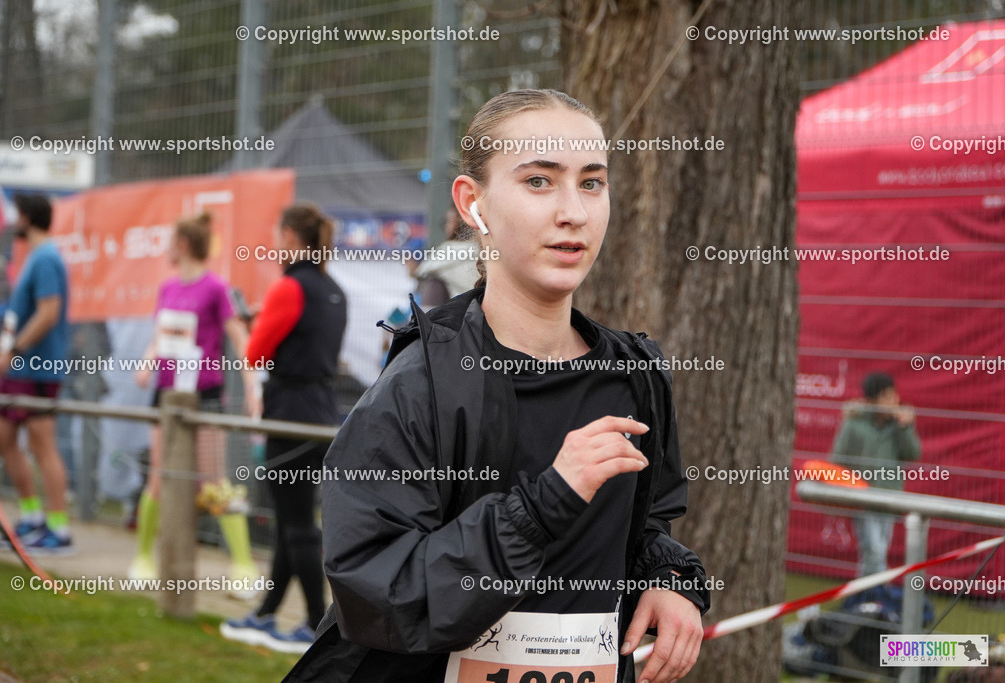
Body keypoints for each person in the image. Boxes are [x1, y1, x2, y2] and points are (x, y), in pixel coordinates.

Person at [285, 89, 709, 683]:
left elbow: (642, 526)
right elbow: (380, 595)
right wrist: (542, 505)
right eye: (539, 181)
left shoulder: (634, 375)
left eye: (592, 182)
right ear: (473, 204)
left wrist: (668, 581)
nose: (574, 212)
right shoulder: (422, 386)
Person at [222, 203, 347, 653]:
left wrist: (245, 329)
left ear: (291, 237)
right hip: (321, 414)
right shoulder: (334, 288)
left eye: (278, 235)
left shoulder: (289, 287)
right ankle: (267, 612)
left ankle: (316, 625)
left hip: (288, 413)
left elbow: (255, 355)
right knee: (294, 518)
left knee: (296, 524)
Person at [128, 212, 259, 583]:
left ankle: (244, 566)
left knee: (215, 480)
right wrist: (146, 363)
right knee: (158, 477)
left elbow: (239, 338)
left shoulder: (216, 288)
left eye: (171, 241)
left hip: (205, 394)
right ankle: (142, 558)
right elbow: (160, 336)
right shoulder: (167, 288)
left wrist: (252, 384)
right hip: (167, 394)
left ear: (183, 245)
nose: (168, 248)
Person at [0, 194, 73, 554]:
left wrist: (14, 351)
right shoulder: (34, 258)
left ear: (28, 218)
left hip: (38, 366)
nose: (13, 221)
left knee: (42, 443)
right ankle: (33, 518)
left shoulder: (48, 258)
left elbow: (49, 313)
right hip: (19, 366)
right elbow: (21, 317)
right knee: (3, 436)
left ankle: (59, 529)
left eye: (18, 214)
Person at [831, 372, 921, 576]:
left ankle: (868, 597)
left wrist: (905, 428)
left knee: (878, 548)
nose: (893, 402)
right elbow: (839, 458)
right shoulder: (855, 422)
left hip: (889, 497)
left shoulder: (900, 425)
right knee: (873, 549)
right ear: (872, 400)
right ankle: (875, 595)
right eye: (886, 397)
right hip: (862, 496)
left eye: (894, 395)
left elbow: (912, 454)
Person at [414, 206, 479, 308]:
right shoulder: (486, 249)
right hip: (483, 313)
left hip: (462, 316)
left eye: (448, 221)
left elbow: (421, 271)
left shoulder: (449, 249)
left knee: (433, 284)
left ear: (460, 221)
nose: (446, 227)